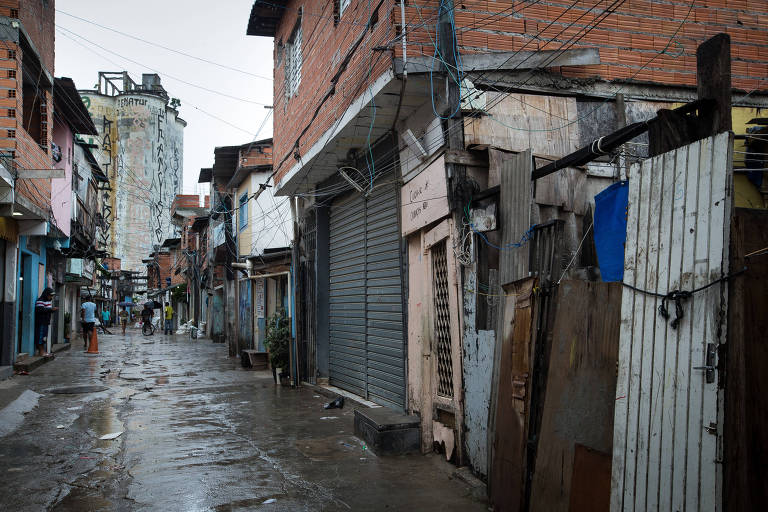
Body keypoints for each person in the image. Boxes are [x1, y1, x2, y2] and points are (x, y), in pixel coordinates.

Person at [34, 288, 57, 357]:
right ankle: (41, 352)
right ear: (46, 294)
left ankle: (43, 351)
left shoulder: (48, 301)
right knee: (40, 337)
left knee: (44, 337)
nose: (51, 297)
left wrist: (52, 310)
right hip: (41, 322)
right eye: (50, 295)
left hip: (46, 322)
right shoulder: (40, 301)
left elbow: (47, 310)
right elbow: (40, 310)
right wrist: (51, 309)